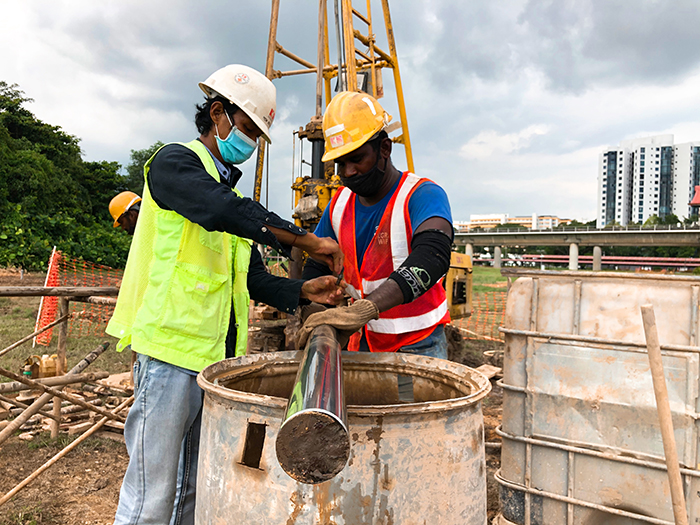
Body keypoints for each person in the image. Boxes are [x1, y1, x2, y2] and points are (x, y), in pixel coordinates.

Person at [106, 64, 344, 525]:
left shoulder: (227, 196)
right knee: (151, 496)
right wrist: (305, 240)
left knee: (192, 489)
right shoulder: (174, 165)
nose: (251, 145)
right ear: (218, 113)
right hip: (170, 353)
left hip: (214, 365)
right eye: (248, 129)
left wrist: (302, 290)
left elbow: (252, 279)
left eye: (257, 136)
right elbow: (218, 210)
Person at [297, 91, 454, 362]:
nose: (348, 172)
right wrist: (313, 308)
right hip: (362, 342)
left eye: (357, 159)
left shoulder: (420, 195)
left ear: (384, 148)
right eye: (341, 163)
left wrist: (368, 307)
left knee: (410, 406)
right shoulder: (340, 204)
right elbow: (317, 264)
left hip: (416, 345)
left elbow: (433, 256)